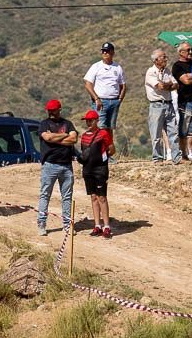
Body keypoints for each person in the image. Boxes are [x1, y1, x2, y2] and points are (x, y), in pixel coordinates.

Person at [38, 99, 78, 237]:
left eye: (53, 110)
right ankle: (41, 224)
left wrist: (56, 138)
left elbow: (73, 139)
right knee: (45, 195)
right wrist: (64, 136)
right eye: (49, 110)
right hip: (49, 164)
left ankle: (67, 225)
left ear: (59, 109)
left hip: (66, 165)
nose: (51, 112)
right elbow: (47, 138)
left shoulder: (68, 123)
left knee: (67, 197)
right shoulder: (44, 124)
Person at [79, 109, 116, 237]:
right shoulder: (83, 136)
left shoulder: (104, 133)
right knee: (93, 197)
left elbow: (112, 149)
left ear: (97, 121)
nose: (89, 123)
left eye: (91, 120)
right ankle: (97, 226)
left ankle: (107, 226)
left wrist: (103, 157)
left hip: (100, 169)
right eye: (87, 121)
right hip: (87, 169)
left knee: (102, 197)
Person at [144, 49, 181, 164]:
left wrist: (168, 85)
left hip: (168, 103)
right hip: (156, 104)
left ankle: (176, 157)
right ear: (156, 60)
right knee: (156, 133)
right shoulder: (151, 72)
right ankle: (157, 158)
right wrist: (169, 84)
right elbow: (160, 86)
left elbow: (176, 85)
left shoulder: (167, 71)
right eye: (163, 57)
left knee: (173, 132)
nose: (166, 59)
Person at [84, 42, 127, 133]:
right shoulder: (96, 66)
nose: (105, 53)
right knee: (100, 127)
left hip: (114, 101)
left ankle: (109, 146)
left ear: (112, 53)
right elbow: (88, 84)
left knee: (110, 128)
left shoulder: (117, 67)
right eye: (103, 51)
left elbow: (122, 85)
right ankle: (100, 147)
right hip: (101, 101)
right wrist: (96, 98)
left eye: (107, 51)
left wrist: (119, 100)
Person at [171, 42, 192, 161]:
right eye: (188, 50)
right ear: (181, 52)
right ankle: (183, 154)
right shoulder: (177, 66)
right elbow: (186, 81)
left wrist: (191, 75)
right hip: (185, 100)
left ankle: (191, 152)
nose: (191, 52)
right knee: (184, 127)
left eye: (191, 50)